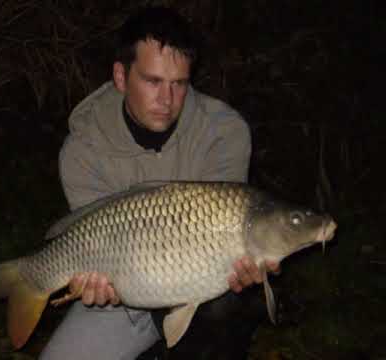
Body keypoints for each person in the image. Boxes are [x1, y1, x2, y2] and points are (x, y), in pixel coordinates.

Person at [40, 6, 279, 360]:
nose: (167, 101)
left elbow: (229, 239)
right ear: (121, 77)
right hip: (124, 295)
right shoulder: (82, 150)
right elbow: (91, 241)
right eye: (152, 81)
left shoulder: (225, 133)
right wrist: (98, 285)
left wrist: (249, 261)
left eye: (179, 84)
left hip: (203, 289)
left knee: (231, 304)